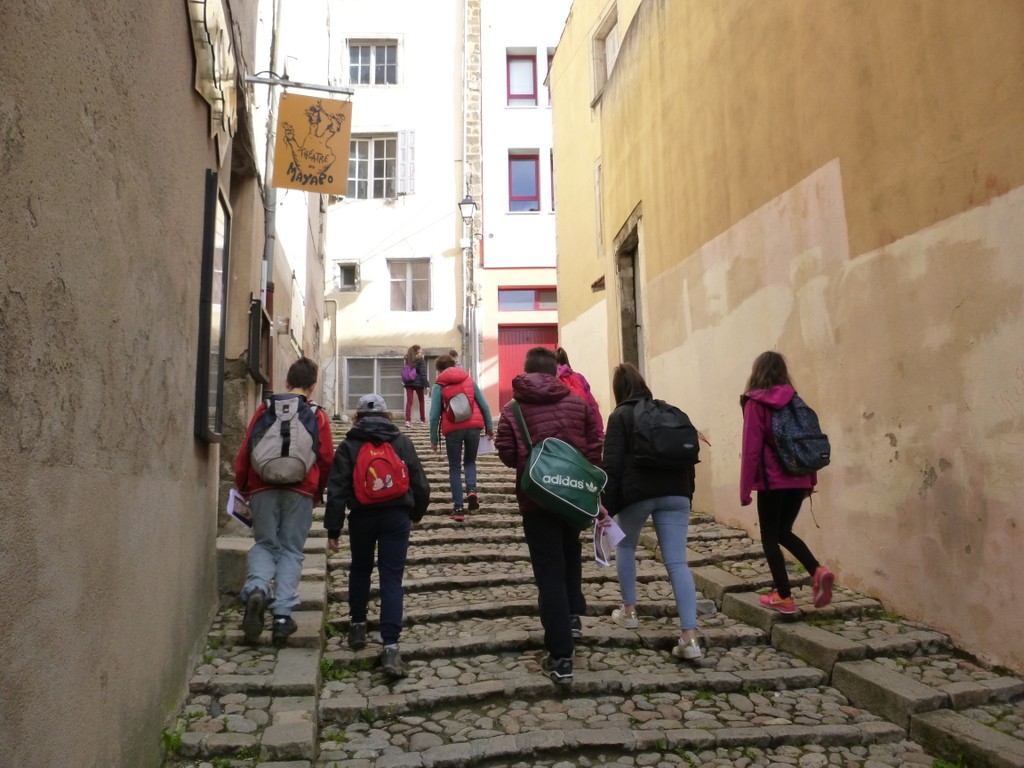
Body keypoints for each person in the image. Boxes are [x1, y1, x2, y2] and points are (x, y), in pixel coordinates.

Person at [496, 346, 604, 684]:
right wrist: (581, 474)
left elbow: (506, 451)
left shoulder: (513, 408)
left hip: (537, 499)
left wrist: (532, 465)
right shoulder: (578, 401)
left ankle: (561, 656)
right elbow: (595, 443)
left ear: (525, 371)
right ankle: (572, 616)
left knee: (548, 571)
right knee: (571, 552)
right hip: (572, 495)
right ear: (556, 371)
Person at [325, 394, 430, 678]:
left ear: (357, 417)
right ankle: (391, 648)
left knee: (360, 569)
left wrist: (333, 529)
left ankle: (358, 627)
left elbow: (336, 488)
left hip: (362, 516)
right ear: (387, 416)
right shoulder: (401, 441)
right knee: (391, 578)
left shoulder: (349, 444)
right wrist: (417, 512)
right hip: (396, 516)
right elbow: (420, 481)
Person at [602, 363, 702, 661]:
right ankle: (690, 637)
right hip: (677, 493)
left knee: (624, 544)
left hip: (638, 493)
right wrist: (687, 495)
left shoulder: (620, 415)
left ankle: (629, 611)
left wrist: (605, 505)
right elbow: (688, 459)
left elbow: (612, 465)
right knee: (677, 562)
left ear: (619, 390)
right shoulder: (670, 411)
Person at [235, 357, 334, 646]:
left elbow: (246, 449)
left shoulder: (265, 408)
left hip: (261, 487)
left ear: (287, 382)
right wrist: (319, 491)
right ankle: (281, 616)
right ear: (312, 387)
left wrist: (243, 486)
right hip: (301, 490)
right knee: (291, 549)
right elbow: (326, 458)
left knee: (266, 543)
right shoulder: (318, 415)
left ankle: (256, 588)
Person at [740, 350, 834, 615]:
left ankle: (783, 595)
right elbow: (810, 441)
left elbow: (751, 449)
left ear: (756, 372)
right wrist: (810, 480)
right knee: (784, 532)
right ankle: (817, 570)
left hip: (773, 481)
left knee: (769, 537)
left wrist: (745, 488)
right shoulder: (796, 401)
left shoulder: (756, 403)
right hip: (799, 477)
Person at [429, 354, 493, 522]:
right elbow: (484, 405)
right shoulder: (468, 379)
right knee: (470, 461)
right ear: (454, 364)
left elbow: (434, 414)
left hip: (453, 430)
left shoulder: (439, 386)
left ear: (439, 370)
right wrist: (490, 428)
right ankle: (472, 491)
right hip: (474, 427)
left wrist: (433, 438)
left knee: (455, 468)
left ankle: (458, 508)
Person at [555, 347, 604, 440]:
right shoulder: (579, 377)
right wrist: (599, 433)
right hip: (582, 431)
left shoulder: (551, 379)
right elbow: (593, 406)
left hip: (560, 435)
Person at [403, 345, 429, 427]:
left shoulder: (408, 359)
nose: (421, 350)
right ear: (417, 350)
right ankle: (422, 421)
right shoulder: (420, 360)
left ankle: (407, 421)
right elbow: (423, 374)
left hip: (409, 383)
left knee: (409, 402)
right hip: (418, 383)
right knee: (421, 401)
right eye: (420, 349)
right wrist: (427, 385)